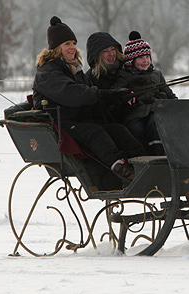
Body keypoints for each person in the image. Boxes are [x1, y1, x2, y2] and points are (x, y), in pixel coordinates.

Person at [32, 16, 145, 183]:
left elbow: (90, 97)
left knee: (119, 130)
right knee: (96, 133)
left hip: (80, 120)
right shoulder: (47, 72)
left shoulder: (74, 68)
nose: (72, 48)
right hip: (61, 123)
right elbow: (74, 93)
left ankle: (144, 167)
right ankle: (122, 169)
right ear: (55, 48)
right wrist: (101, 94)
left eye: (73, 43)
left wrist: (115, 98)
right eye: (67, 44)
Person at [112, 31, 177, 156]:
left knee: (156, 123)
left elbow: (168, 93)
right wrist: (125, 95)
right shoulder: (125, 76)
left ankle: (160, 154)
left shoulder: (156, 74)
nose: (145, 61)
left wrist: (176, 105)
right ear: (131, 60)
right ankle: (143, 156)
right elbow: (115, 92)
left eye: (147, 57)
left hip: (155, 110)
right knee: (136, 129)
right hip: (135, 113)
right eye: (141, 58)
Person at [86, 31, 126, 123]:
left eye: (112, 49)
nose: (111, 54)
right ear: (97, 55)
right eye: (105, 51)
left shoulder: (126, 69)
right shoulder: (91, 78)